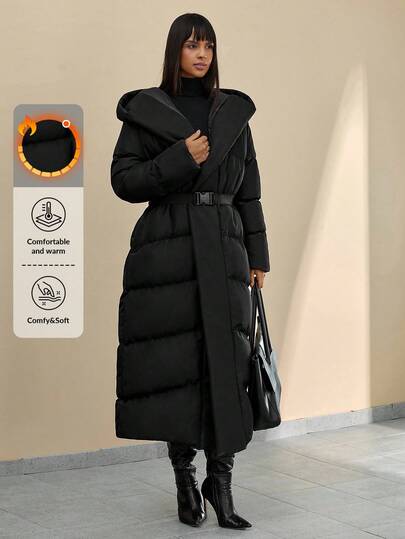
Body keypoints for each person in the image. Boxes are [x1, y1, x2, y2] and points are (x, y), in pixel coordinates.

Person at [111, 12, 270, 530]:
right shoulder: (149, 110)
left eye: (209, 46)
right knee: (175, 366)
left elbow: (249, 190)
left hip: (224, 246)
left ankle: (220, 484)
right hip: (168, 248)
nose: (202, 54)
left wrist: (258, 256)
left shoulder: (233, 113)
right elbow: (124, 181)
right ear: (175, 50)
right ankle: (184, 476)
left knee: (227, 365)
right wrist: (179, 158)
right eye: (192, 45)